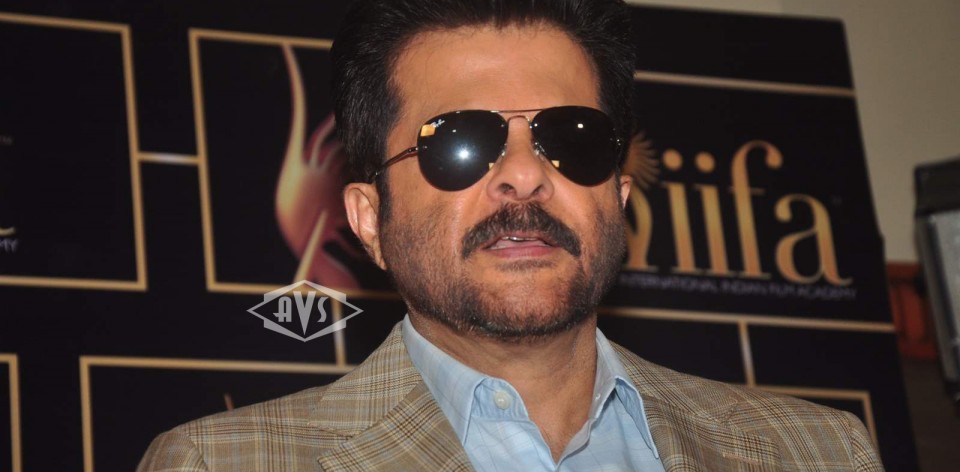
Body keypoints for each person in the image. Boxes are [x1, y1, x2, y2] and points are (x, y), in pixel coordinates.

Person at [138, 0, 884, 470]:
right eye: (460, 143)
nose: (524, 177)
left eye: (572, 139)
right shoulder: (219, 462)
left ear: (619, 196)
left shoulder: (819, 453)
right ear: (369, 219)